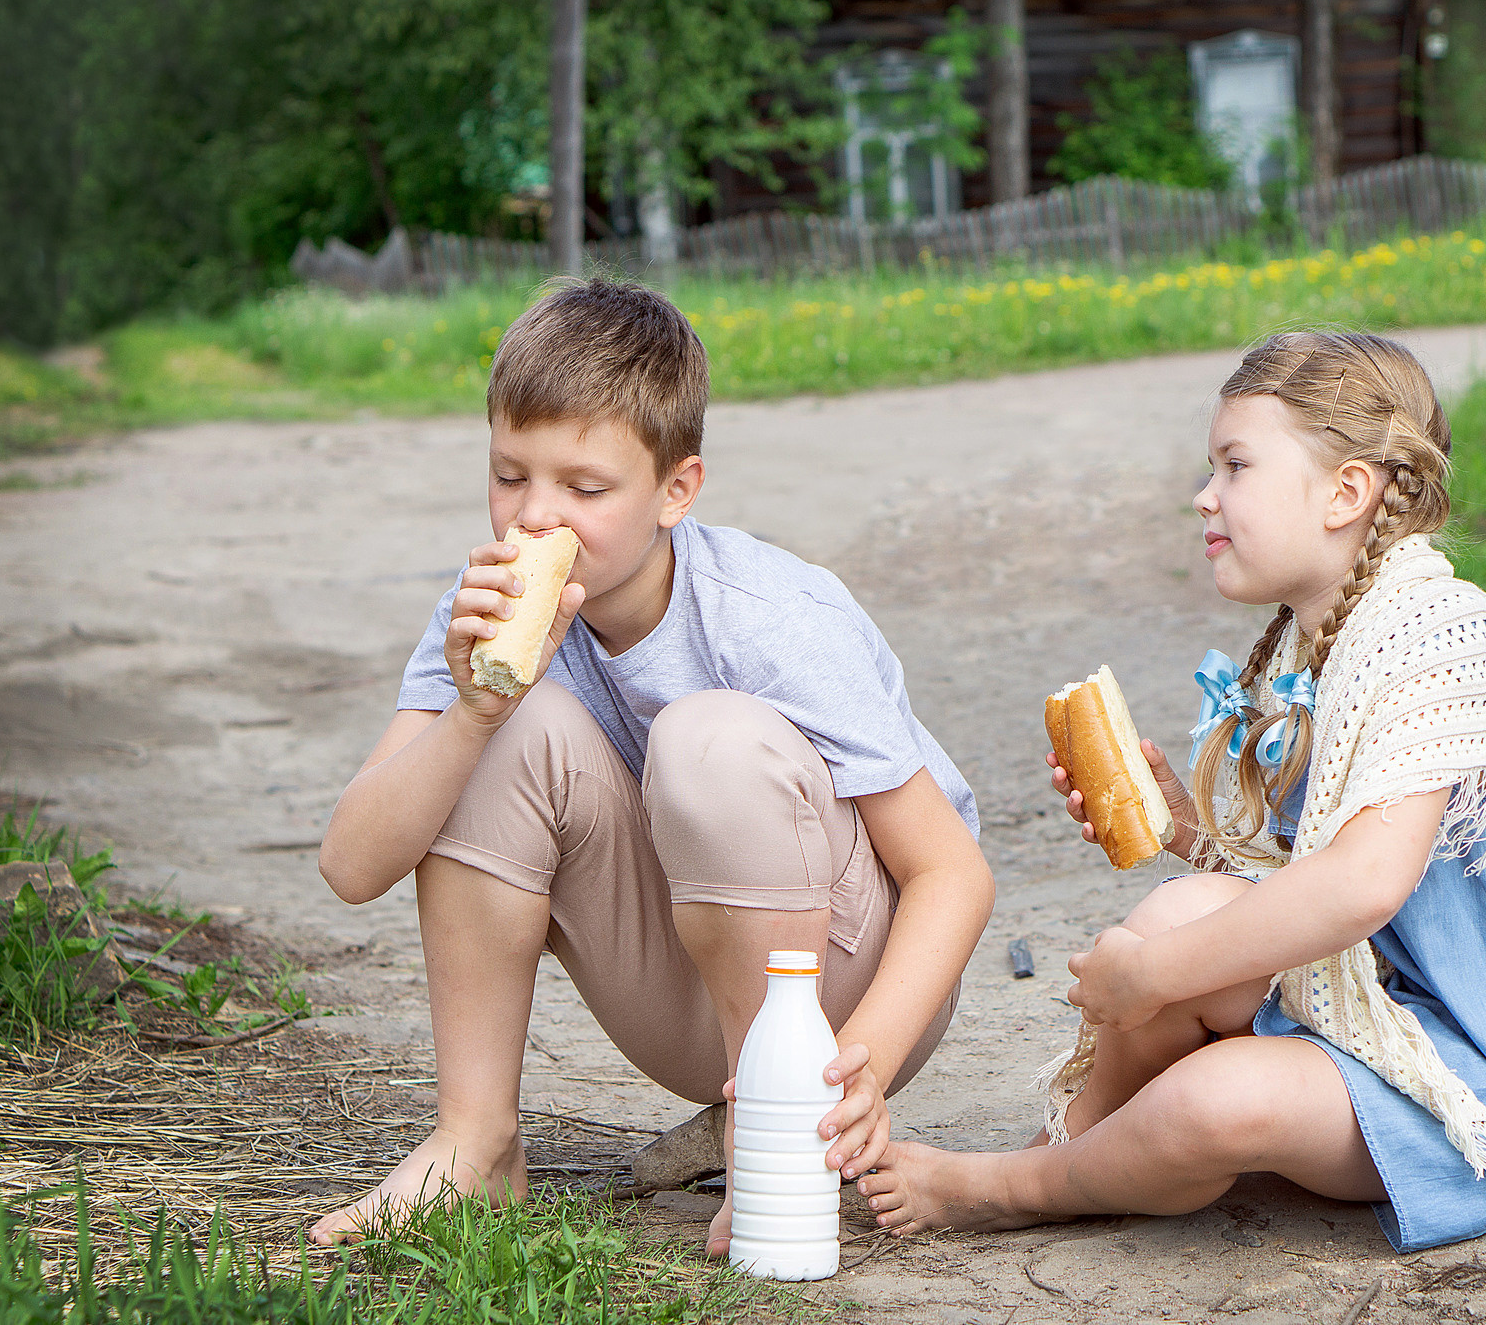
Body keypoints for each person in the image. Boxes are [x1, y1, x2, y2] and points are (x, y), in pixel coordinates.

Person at [858, 331, 1486, 1252]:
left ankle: (1025, 1185)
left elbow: (1360, 886)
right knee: (1175, 910)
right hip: (1382, 1005)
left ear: (1347, 492)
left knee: (1206, 1081)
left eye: (1235, 466)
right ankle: (1080, 1145)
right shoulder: (1325, 635)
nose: (1205, 495)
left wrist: (1149, 980)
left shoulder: (1435, 637)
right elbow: (1303, 872)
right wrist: (1186, 833)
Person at [309, 277, 994, 1254]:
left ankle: (776, 1135)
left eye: (585, 488)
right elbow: (350, 864)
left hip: (853, 985)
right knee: (507, 727)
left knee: (705, 734)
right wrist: (470, 712)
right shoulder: (482, 607)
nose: (535, 516)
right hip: (677, 987)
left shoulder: (767, 617)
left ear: (677, 489)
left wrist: (853, 1071)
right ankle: (475, 1142)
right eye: (509, 473)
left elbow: (952, 874)